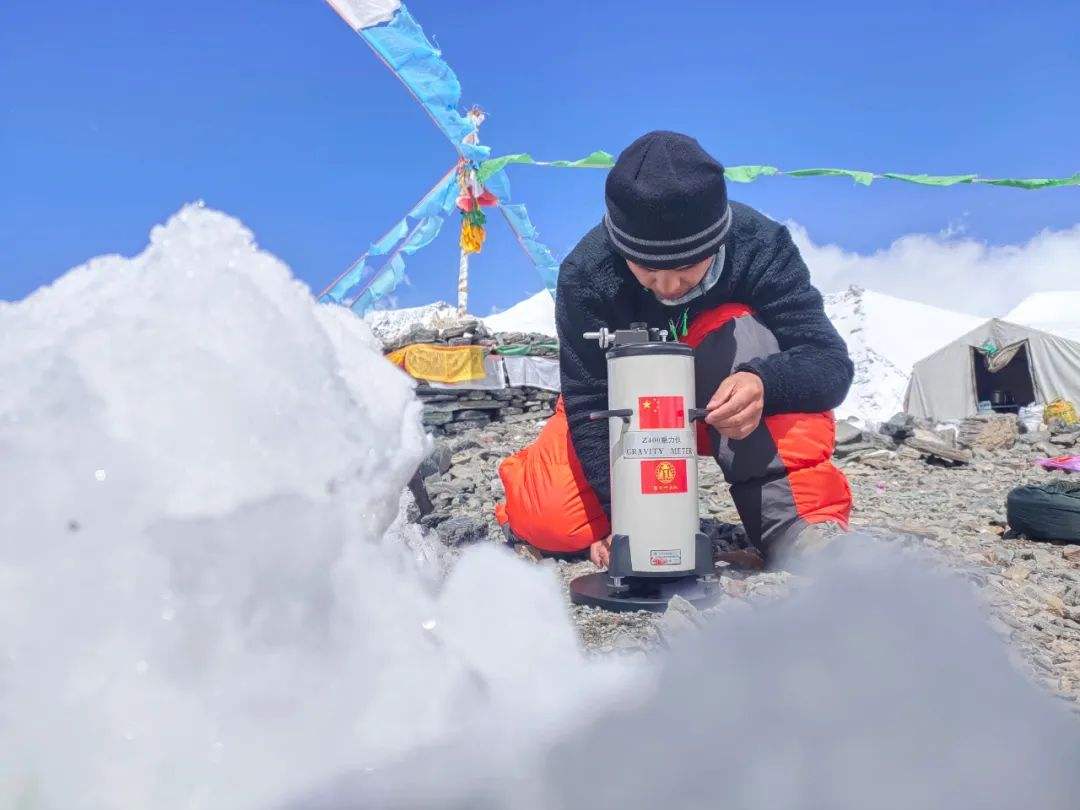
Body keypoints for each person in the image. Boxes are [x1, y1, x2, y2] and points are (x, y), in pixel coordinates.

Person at [496, 130, 853, 569]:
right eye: (645, 268)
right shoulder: (586, 275)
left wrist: (763, 382)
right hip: (623, 417)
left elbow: (829, 363)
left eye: (687, 268)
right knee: (550, 520)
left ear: (718, 241)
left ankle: (799, 525)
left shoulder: (761, 246)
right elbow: (588, 398)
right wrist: (623, 519)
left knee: (748, 333)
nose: (667, 287)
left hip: (721, 407)